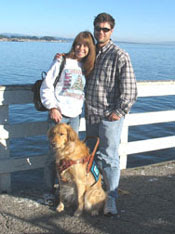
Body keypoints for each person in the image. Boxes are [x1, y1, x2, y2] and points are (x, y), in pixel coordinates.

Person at [85, 13, 137, 216]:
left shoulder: (119, 55)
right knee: (92, 157)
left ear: (111, 31)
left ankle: (111, 199)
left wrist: (118, 113)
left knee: (109, 158)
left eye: (105, 29)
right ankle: (96, 194)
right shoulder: (91, 52)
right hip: (91, 115)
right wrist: (63, 57)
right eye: (98, 28)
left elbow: (131, 91)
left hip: (108, 117)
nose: (100, 32)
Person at [40, 31, 96, 205]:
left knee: (70, 157)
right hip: (59, 115)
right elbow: (47, 85)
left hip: (75, 116)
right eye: (78, 44)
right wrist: (53, 107)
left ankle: (65, 193)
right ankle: (49, 192)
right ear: (74, 44)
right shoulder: (62, 61)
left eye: (86, 45)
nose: (81, 48)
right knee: (53, 156)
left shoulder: (86, 66)